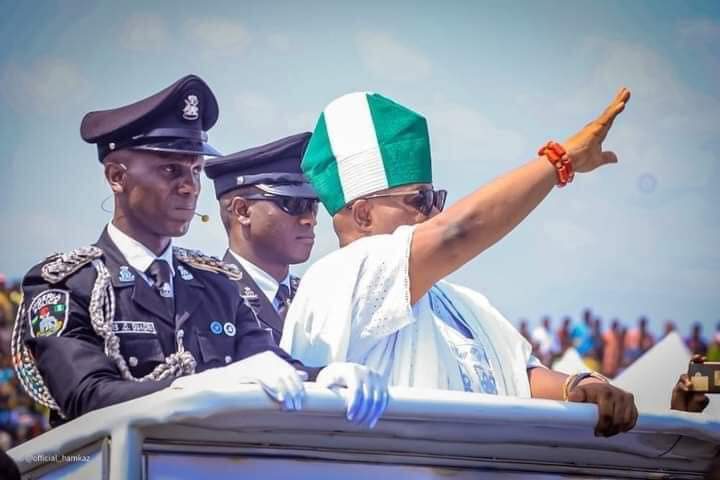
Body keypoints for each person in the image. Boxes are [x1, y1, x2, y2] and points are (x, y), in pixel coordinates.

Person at [12, 75, 387, 428]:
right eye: (170, 170)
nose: (190, 186)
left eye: (194, 170)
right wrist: (202, 387)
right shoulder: (67, 285)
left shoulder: (216, 285)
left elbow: (270, 365)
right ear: (117, 177)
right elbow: (85, 397)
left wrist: (326, 377)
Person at [281, 89, 638, 437]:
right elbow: (456, 232)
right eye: (421, 200)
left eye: (437, 197)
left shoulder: (462, 302)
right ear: (363, 215)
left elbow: (519, 376)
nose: (436, 212)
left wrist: (581, 386)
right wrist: (560, 160)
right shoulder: (341, 277)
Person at [204, 133, 318, 342]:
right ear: (242, 210)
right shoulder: (207, 298)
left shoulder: (317, 298)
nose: (309, 220)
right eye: (294, 204)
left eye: (313, 206)